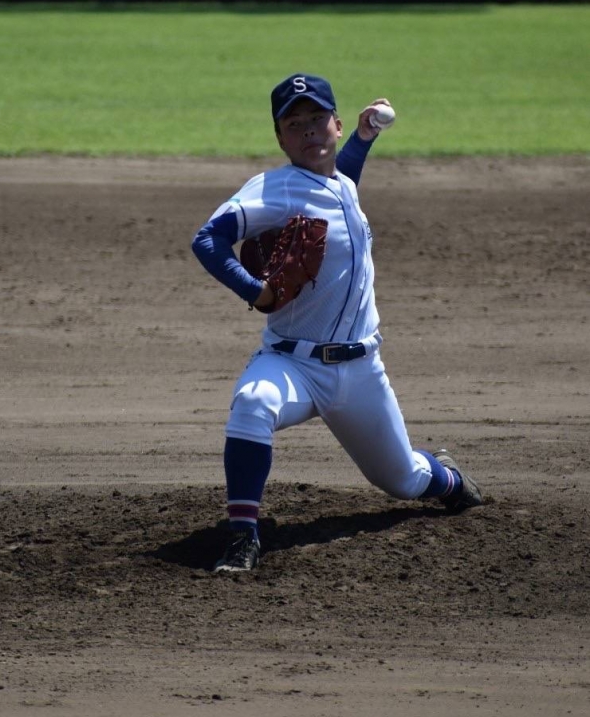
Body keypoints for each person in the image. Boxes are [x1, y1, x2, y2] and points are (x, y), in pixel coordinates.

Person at [191, 73, 483, 572]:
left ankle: (450, 480)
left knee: (404, 480)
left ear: (336, 124)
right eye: (294, 124)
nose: (308, 130)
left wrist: (364, 139)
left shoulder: (340, 183)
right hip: (293, 365)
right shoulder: (274, 188)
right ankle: (242, 536)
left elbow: (336, 181)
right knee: (253, 403)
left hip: (361, 372)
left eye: (317, 118)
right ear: (280, 139)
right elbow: (207, 240)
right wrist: (255, 291)